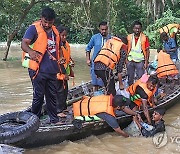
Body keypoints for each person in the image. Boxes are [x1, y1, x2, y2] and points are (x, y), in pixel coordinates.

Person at [21, 7, 63, 124]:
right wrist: (30, 52)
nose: (47, 24)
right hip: (38, 70)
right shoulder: (33, 29)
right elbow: (24, 44)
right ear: (41, 19)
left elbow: (58, 49)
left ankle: (54, 119)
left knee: (51, 96)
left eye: (50, 22)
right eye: (45, 22)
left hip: (52, 69)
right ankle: (34, 121)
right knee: (38, 96)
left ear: (53, 21)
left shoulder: (55, 31)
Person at [73, 94, 141, 137]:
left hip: (81, 104)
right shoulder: (108, 115)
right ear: (118, 107)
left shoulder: (109, 99)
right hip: (78, 112)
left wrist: (136, 113)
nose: (125, 107)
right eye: (123, 106)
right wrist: (129, 137)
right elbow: (118, 131)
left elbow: (124, 109)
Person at [85, 21, 111, 92]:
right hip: (95, 63)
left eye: (105, 29)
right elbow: (88, 49)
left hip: (106, 64)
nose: (104, 31)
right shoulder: (95, 37)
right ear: (99, 29)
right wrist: (88, 59)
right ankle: (95, 98)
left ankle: (105, 97)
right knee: (95, 83)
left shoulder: (111, 38)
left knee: (106, 82)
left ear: (107, 29)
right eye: (102, 29)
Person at [56, 25, 75, 117]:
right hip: (58, 72)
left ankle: (63, 108)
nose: (64, 37)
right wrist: (63, 73)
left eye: (65, 36)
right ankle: (58, 110)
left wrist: (71, 61)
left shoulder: (65, 44)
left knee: (65, 90)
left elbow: (67, 56)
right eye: (62, 35)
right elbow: (58, 60)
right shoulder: (56, 46)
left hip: (65, 70)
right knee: (59, 91)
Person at [127, 21, 150, 86]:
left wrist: (146, 62)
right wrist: (126, 60)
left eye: (138, 28)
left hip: (140, 61)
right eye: (135, 28)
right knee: (130, 77)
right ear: (133, 29)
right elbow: (126, 48)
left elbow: (147, 50)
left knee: (141, 78)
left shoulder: (144, 37)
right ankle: (130, 91)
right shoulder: (129, 37)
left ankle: (140, 91)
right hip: (130, 60)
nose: (137, 30)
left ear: (141, 29)